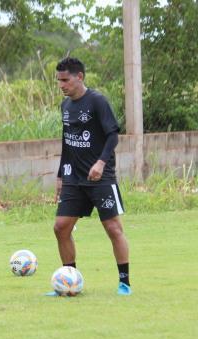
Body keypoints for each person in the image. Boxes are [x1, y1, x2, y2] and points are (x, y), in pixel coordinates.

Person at [50, 57, 131, 296]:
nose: (61, 85)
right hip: (73, 179)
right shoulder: (65, 106)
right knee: (60, 227)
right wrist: (60, 175)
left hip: (100, 178)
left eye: (65, 80)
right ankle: (69, 281)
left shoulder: (97, 101)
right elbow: (67, 142)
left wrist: (100, 162)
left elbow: (113, 135)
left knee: (113, 228)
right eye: (59, 81)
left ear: (79, 77)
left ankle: (124, 282)